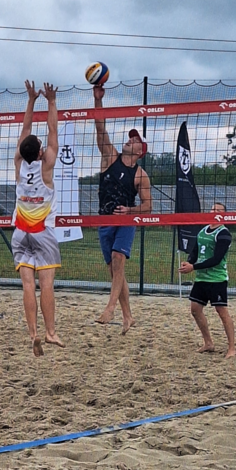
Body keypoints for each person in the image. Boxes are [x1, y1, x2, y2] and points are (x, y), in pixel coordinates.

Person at [92, 83, 152, 333]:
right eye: (130, 137)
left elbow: (148, 207)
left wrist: (130, 211)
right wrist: (97, 100)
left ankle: (110, 309)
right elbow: (100, 128)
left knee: (118, 260)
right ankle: (128, 316)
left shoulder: (141, 175)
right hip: (104, 219)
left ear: (140, 151)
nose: (130, 139)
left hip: (126, 221)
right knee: (114, 270)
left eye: (135, 139)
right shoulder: (110, 157)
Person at [13, 79, 63, 354]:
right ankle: (50, 333)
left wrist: (31, 100)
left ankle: (33, 333)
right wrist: (51, 102)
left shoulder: (19, 164)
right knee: (46, 285)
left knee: (27, 285)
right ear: (41, 152)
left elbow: (26, 131)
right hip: (42, 233)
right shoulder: (47, 167)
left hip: (20, 232)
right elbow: (53, 131)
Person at [178, 202, 236, 358]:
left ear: (224, 215)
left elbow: (216, 259)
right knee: (195, 310)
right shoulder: (203, 231)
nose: (214, 211)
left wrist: (193, 267)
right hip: (201, 279)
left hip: (217, 279)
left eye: (218, 210)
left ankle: (232, 348)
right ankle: (208, 343)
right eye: (212, 209)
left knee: (221, 311)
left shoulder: (223, 234)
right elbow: (195, 252)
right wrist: (189, 262)